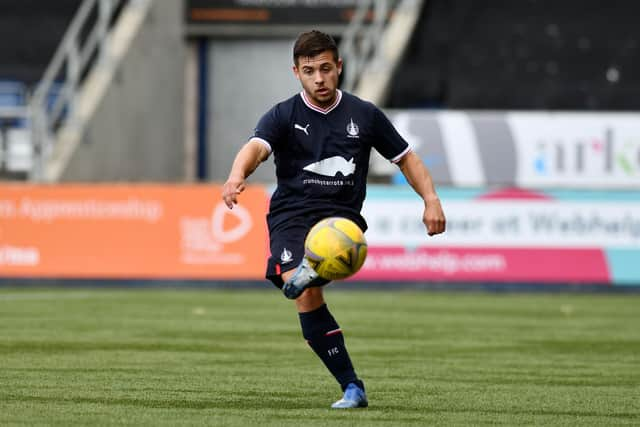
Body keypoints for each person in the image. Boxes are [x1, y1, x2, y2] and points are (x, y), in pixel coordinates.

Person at [222, 30, 446, 409]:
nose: (319, 78)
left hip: (341, 218)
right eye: (310, 71)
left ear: (339, 66)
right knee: (303, 292)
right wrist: (235, 175)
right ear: (296, 72)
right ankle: (352, 386)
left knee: (305, 287)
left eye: (326, 69)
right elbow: (256, 147)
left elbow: (406, 158)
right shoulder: (283, 114)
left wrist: (431, 200)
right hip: (291, 216)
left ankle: (311, 276)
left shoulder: (364, 114)